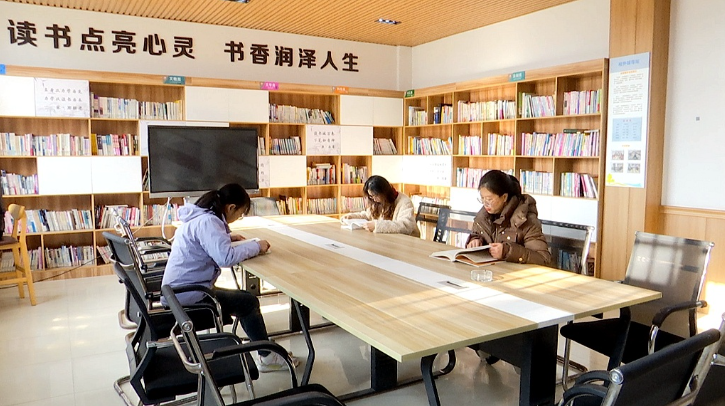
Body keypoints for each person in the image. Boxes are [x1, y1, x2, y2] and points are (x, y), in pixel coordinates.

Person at [161, 183, 297, 372]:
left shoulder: (201, 217)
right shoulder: (209, 222)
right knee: (248, 302)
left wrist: (226, 238)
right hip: (190, 296)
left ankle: (262, 344)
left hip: (178, 292)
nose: (237, 218)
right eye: (239, 214)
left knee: (244, 297)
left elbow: (204, 242)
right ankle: (267, 357)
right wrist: (257, 246)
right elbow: (226, 258)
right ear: (231, 207)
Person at [466, 170, 551, 266]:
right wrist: (475, 240)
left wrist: (508, 251)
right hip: (487, 271)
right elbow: (477, 234)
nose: (485, 203)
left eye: (489, 199)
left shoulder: (525, 220)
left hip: (515, 273)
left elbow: (543, 258)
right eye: (482, 198)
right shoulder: (483, 217)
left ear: (504, 197)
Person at [340, 175, 420, 237]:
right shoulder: (377, 201)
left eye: (375, 195)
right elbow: (368, 216)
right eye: (371, 196)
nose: (374, 199)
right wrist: (352, 216)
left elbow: (406, 225)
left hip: (405, 243)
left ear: (384, 192)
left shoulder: (404, 202)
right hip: (387, 240)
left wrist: (377, 226)